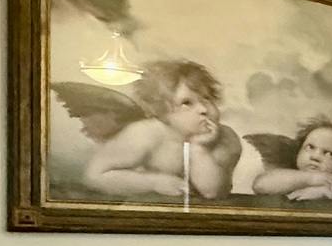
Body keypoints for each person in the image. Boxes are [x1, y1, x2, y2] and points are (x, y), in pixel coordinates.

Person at [77, 60, 242, 199]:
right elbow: (93, 176)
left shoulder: (226, 138)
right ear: (161, 112)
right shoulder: (145, 134)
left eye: (207, 98)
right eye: (186, 103)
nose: (203, 109)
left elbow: (212, 192)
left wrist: (199, 149)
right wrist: (154, 182)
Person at [249, 117, 332, 202]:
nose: (315, 157)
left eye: (329, 154)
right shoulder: (288, 176)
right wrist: (310, 179)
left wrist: (325, 192)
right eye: (310, 147)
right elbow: (260, 184)